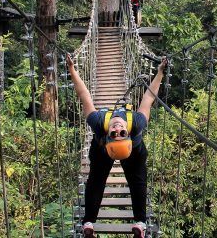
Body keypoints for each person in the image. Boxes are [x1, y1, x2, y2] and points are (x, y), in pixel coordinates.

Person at [66, 53, 167, 238]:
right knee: (122, 181)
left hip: (114, 150)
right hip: (125, 149)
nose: (118, 128)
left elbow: (84, 95)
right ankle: (94, 223)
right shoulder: (136, 123)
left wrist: (72, 69)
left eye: (115, 134)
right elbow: (149, 98)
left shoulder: (98, 123)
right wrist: (160, 73)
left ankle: (137, 224)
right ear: (128, 134)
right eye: (121, 133)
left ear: (108, 137)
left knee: (118, 182)